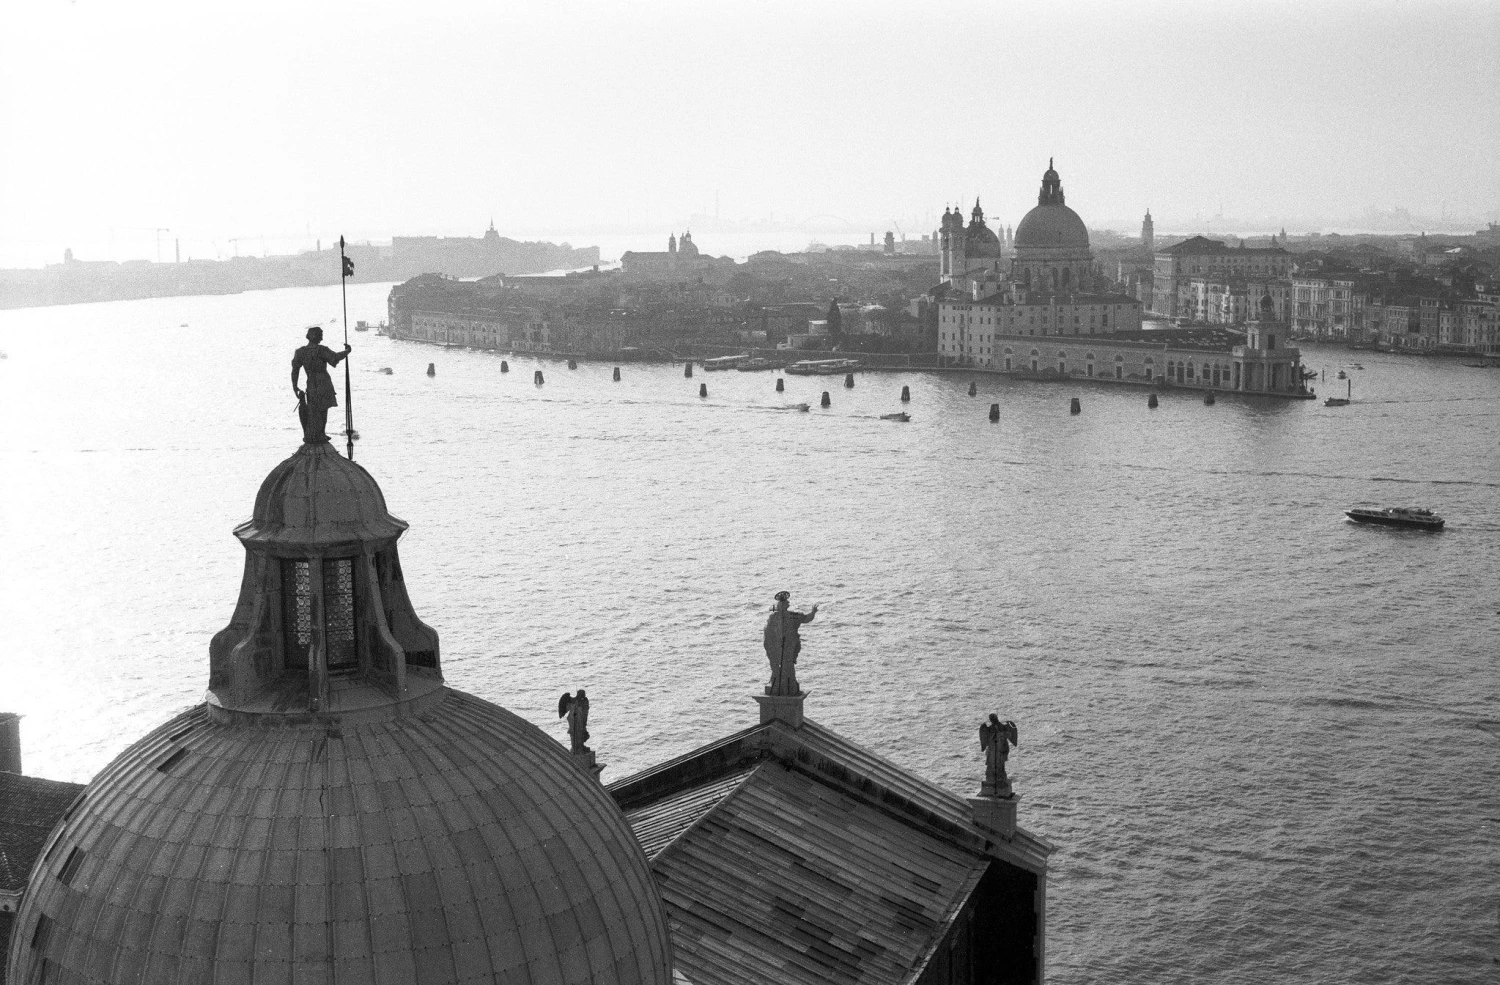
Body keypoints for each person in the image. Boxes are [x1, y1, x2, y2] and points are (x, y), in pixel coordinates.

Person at [291, 327, 351, 444]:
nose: (322, 338)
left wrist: (295, 386)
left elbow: (295, 370)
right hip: (324, 383)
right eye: (320, 336)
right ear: (314, 336)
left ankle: (317, 433)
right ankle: (320, 433)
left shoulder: (300, 352)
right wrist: (347, 351)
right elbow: (335, 357)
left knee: (313, 409)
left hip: (311, 384)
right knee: (323, 410)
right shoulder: (321, 350)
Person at [763, 591, 818, 696]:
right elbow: (768, 634)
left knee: (788, 666)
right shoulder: (773, 618)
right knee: (778, 667)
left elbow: (806, 618)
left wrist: (813, 612)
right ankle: (778, 683)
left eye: (783, 605)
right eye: (780, 606)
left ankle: (788, 684)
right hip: (778, 648)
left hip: (789, 647)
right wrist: (770, 646)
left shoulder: (791, 616)